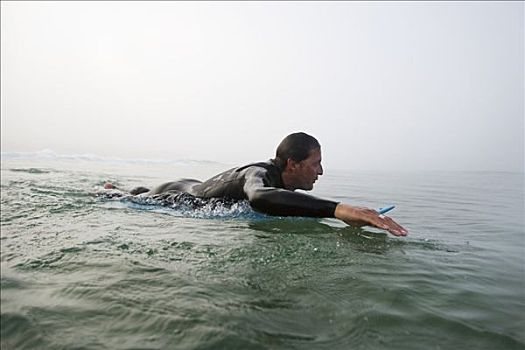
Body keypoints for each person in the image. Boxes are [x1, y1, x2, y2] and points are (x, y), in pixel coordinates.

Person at [108, 132, 408, 237]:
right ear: (292, 164)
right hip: (174, 196)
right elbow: (260, 198)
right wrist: (340, 210)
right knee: (125, 198)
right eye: (315, 163)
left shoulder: (278, 180)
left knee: (133, 193)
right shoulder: (260, 174)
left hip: (194, 184)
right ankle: (112, 192)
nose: (321, 171)